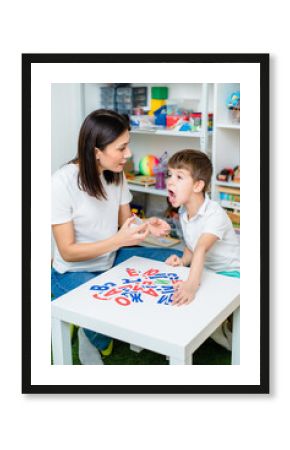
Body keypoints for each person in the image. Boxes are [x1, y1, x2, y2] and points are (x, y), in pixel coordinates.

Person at [51, 109, 182, 364]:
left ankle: (94, 326)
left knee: (177, 260)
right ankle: (92, 334)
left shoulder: (116, 173)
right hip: (71, 271)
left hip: (112, 259)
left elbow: (126, 223)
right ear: (96, 151)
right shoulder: (61, 183)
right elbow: (67, 251)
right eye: (121, 148)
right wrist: (118, 240)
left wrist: (146, 225)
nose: (129, 154)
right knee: (102, 312)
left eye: (128, 146)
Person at [165, 149, 240, 350]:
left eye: (179, 177)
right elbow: (191, 247)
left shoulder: (214, 213)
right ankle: (221, 327)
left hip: (232, 274)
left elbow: (200, 249)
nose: (170, 182)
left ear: (198, 185)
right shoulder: (183, 212)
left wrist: (191, 285)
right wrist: (182, 262)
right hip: (208, 270)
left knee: (196, 302)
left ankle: (233, 335)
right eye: (169, 175)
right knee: (184, 300)